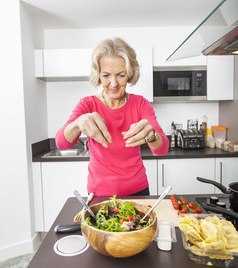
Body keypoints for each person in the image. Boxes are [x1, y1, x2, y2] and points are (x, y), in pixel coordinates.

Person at [56, 38, 169, 196]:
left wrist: (152, 135)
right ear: (98, 75)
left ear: (129, 75)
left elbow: (162, 149)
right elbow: (62, 144)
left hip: (138, 191)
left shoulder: (140, 104)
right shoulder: (87, 104)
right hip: (99, 194)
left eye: (121, 75)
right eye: (106, 75)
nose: (114, 83)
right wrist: (77, 123)